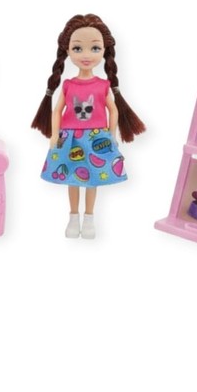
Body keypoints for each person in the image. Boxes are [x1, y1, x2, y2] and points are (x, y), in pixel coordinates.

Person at [32, 14, 145, 239]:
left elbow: (113, 110)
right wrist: (54, 135)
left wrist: (111, 134)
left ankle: (90, 218)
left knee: (93, 178)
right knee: (72, 178)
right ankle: (73, 217)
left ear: (104, 51)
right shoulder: (68, 84)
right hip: (69, 138)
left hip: (96, 139)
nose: (86, 55)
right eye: (78, 48)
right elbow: (57, 111)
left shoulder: (103, 85)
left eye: (94, 48)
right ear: (67, 51)